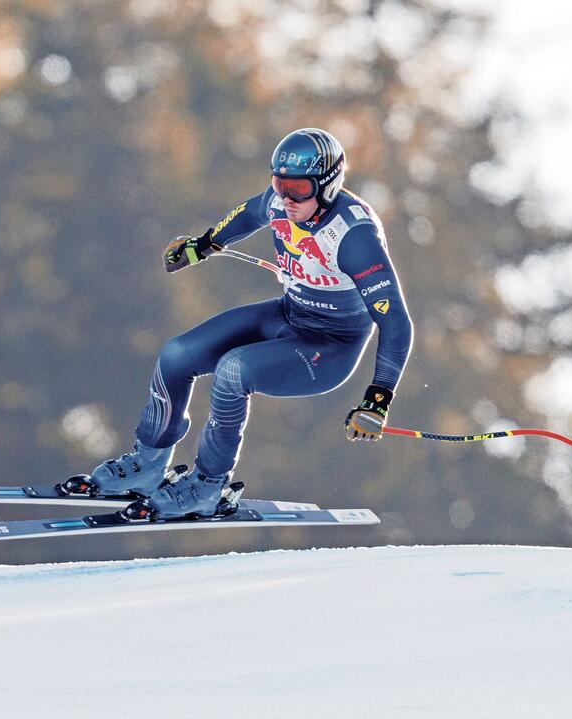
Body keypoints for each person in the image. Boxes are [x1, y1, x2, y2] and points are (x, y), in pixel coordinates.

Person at [84, 128, 413, 519]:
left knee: (233, 371)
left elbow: (396, 322)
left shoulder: (354, 236)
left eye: (298, 189)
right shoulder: (279, 203)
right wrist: (202, 245)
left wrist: (378, 398)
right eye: (279, 184)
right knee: (177, 354)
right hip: (288, 315)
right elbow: (248, 213)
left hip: (329, 347)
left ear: (327, 186)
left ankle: (208, 485)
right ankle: (149, 462)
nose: (287, 199)